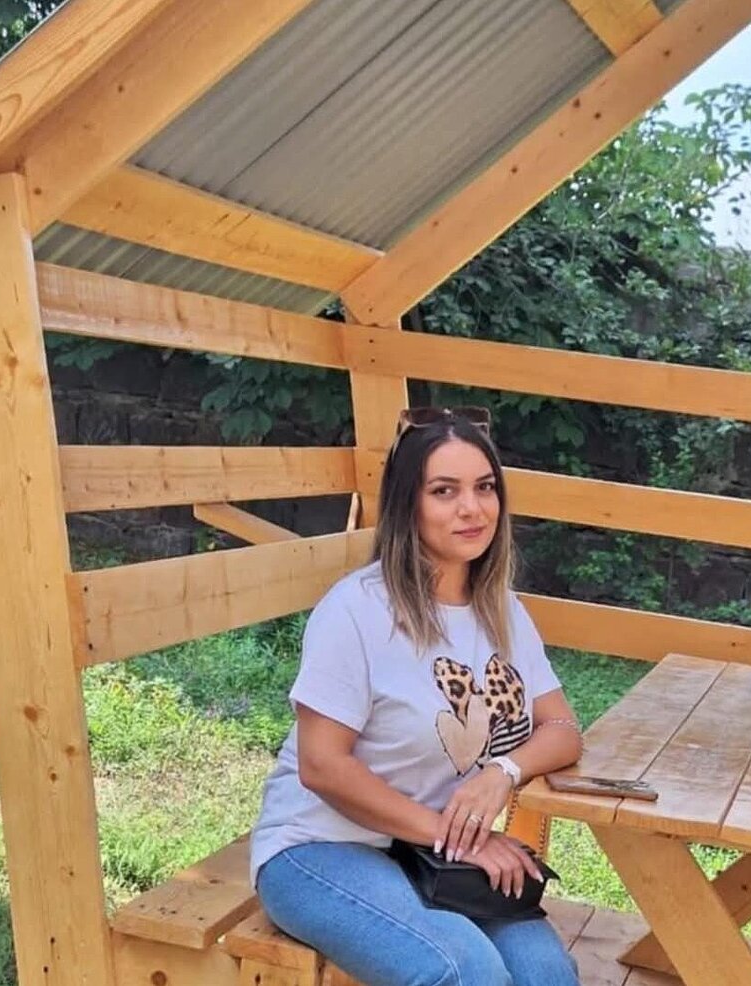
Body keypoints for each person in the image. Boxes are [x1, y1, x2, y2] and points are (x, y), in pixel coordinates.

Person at [250, 406, 583, 986]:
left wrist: (501, 772)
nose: (471, 508)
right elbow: (322, 767)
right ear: (409, 503)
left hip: (431, 853)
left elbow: (562, 731)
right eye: (444, 491)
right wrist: (451, 836)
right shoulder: (356, 610)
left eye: (484, 488)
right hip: (320, 847)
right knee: (464, 972)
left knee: (548, 975)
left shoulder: (502, 612)